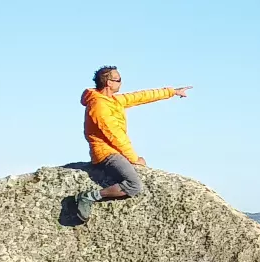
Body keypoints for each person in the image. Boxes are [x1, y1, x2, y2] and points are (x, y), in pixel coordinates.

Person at [71, 66, 192, 222]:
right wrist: (134, 159)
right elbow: (115, 135)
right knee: (134, 185)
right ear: (109, 82)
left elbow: (140, 96)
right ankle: (89, 197)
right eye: (119, 79)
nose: (121, 82)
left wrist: (172, 92)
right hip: (106, 154)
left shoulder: (113, 100)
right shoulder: (99, 106)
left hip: (115, 151)